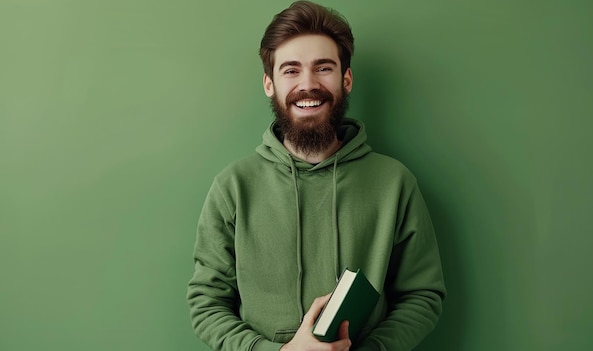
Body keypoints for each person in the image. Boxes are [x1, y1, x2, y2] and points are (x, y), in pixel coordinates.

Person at [186, 1, 446, 350]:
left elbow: (422, 294)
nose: (308, 85)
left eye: (323, 68)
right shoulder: (233, 187)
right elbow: (206, 302)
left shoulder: (394, 182)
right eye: (291, 70)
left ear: (346, 79)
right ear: (269, 84)